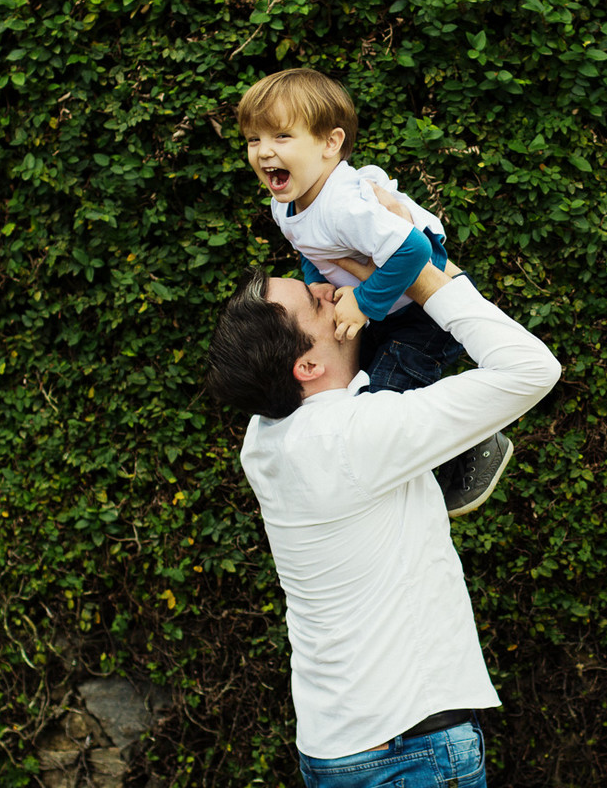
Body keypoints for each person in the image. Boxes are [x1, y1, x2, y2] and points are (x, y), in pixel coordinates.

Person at [204, 185, 562, 787]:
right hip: (409, 751)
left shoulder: (264, 438)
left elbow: (368, 386)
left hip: (335, 746)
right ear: (307, 366)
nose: (328, 286)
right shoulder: (355, 436)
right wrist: (419, 264)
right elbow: (532, 369)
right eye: (317, 302)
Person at [236, 67, 508, 517]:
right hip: (389, 302)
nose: (264, 151)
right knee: (349, 383)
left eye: (282, 136)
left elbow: (414, 250)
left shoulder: (345, 205)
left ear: (330, 143)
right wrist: (316, 281)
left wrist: (363, 303)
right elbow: (309, 247)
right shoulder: (284, 202)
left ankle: (474, 443)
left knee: (382, 399)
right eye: (253, 139)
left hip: (423, 310)